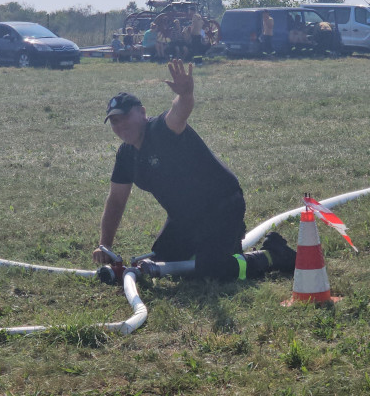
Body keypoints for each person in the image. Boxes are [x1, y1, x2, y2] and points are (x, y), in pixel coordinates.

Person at [94, 59, 296, 281]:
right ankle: (220, 245)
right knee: (163, 262)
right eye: (114, 122)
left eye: (125, 117)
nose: (120, 126)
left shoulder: (161, 129)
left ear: (142, 112)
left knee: (211, 271)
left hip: (222, 206)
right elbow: (116, 201)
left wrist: (186, 94)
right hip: (184, 217)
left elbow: (179, 112)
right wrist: (105, 245)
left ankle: (272, 255)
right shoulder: (125, 155)